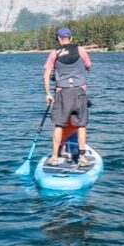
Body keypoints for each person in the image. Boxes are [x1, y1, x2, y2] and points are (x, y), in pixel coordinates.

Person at [43, 27, 93, 168]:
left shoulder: (54, 53)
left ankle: (54, 158)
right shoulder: (81, 50)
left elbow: (46, 74)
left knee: (59, 125)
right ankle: (82, 158)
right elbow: (89, 66)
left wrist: (47, 94)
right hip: (79, 91)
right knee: (81, 125)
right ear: (70, 38)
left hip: (62, 92)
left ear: (58, 39)